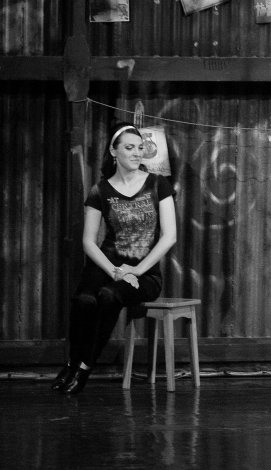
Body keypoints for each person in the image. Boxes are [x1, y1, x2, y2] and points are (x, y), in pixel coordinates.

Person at [51, 122, 177, 395]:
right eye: (129, 148)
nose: (137, 153)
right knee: (84, 300)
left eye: (140, 148)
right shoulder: (100, 190)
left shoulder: (159, 185)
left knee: (109, 296)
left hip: (145, 273)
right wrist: (114, 270)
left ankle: (84, 368)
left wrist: (136, 271)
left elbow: (169, 237)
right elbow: (88, 241)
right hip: (107, 264)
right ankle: (72, 363)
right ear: (113, 151)